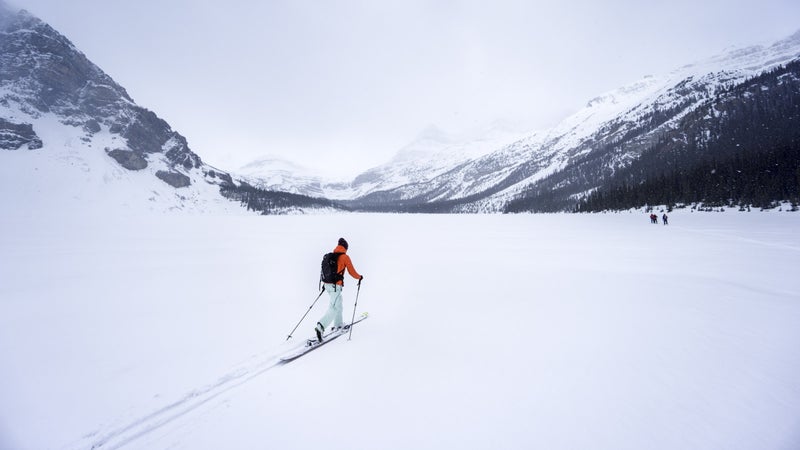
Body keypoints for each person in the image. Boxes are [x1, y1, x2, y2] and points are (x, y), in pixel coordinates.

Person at [315, 238, 363, 342]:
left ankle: (338, 324)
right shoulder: (345, 257)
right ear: (345, 247)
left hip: (327, 285)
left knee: (338, 304)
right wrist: (359, 277)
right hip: (335, 287)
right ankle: (320, 326)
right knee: (333, 308)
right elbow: (352, 271)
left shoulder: (331, 256)